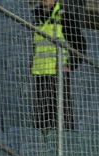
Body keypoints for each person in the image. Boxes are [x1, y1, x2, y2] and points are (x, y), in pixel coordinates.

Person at [32, 0, 86, 131]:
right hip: (40, 74)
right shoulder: (35, 17)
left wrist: (71, 65)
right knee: (42, 117)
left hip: (58, 75)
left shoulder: (64, 16)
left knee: (62, 116)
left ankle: (66, 147)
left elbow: (81, 44)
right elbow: (37, 46)